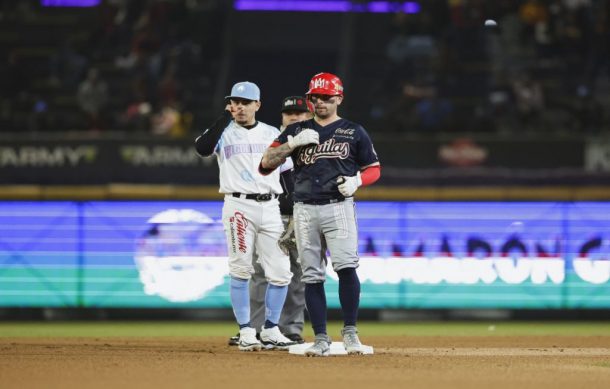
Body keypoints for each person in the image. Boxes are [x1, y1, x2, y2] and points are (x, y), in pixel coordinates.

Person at [260, 73, 381, 356]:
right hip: (303, 208)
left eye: (327, 97)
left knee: (346, 267)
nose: (320, 102)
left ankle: (350, 333)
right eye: (315, 97)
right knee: (311, 275)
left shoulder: (353, 131)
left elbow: (374, 167)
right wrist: (291, 144)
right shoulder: (297, 130)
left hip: (338, 206)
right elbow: (265, 164)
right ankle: (322, 337)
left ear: (339, 98)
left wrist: (357, 181)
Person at [195, 81, 297, 352]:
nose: (239, 106)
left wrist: (293, 209)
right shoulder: (223, 131)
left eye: (245, 102)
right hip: (238, 205)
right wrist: (223, 119)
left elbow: (287, 173)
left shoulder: (271, 132)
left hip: (271, 206)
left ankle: (271, 329)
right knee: (241, 269)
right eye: (235, 102)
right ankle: (246, 331)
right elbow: (202, 148)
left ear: (257, 105)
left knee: (281, 272)